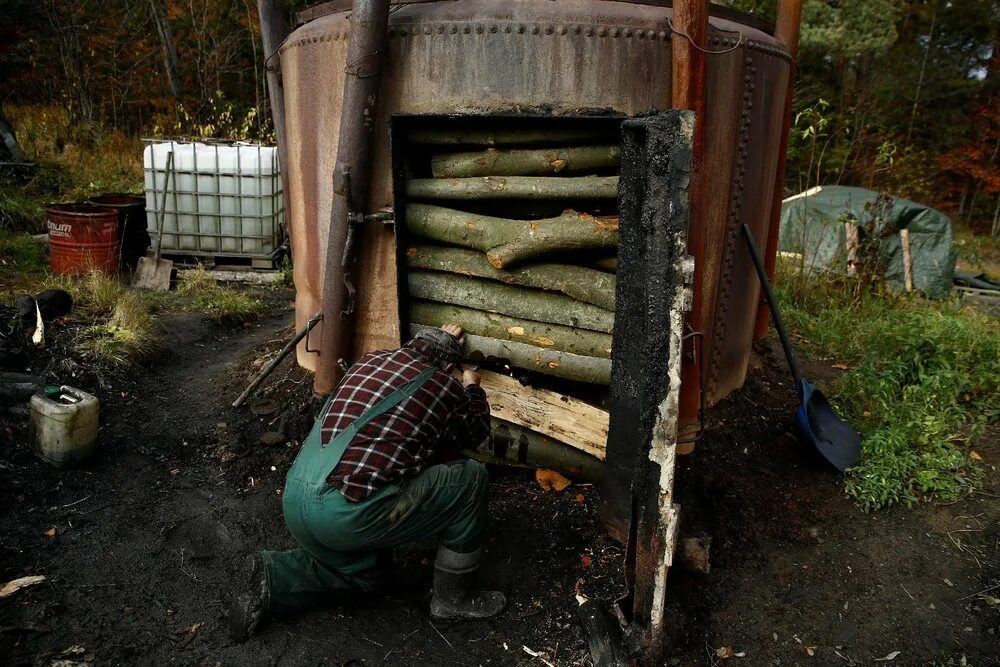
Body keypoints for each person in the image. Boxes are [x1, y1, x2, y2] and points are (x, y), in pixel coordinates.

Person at [228, 324, 505, 641]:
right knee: (470, 479)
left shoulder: (368, 362)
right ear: (447, 367)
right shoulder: (443, 384)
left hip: (296, 498)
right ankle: (452, 600)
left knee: (368, 575)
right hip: (344, 516)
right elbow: (474, 432)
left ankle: (272, 578)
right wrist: (472, 386)